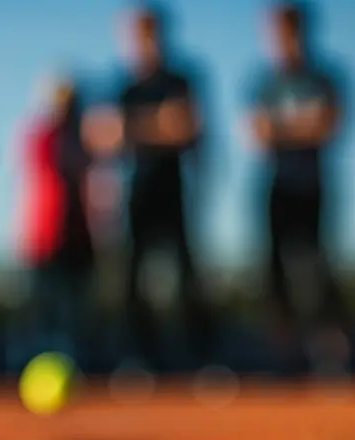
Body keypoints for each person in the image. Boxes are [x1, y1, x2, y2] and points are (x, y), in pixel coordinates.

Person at [247, 2, 351, 376]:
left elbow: (330, 126)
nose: (281, 40)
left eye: (288, 31)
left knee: (319, 270)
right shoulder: (263, 82)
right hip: (276, 189)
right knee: (274, 275)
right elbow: (256, 135)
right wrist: (302, 125)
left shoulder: (324, 78)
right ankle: (284, 361)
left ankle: (331, 356)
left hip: (314, 186)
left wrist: (283, 129)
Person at [111, 4, 217, 372]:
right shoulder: (122, 86)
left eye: (148, 32)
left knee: (189, 276)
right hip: (135, 194)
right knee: (131, 280)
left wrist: (133, 128)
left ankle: (204, 359)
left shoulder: (181, 80)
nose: (143, 42)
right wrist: (161, 124)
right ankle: (139, 360)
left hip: (175, 190)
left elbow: (189, 128)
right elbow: (104, 136)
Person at [13, 73, 98, 369]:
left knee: (76, 309)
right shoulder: (44, 135)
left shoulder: (84, 135)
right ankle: (38, 361)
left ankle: (75, 361)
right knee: (44, 307)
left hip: (79, 236)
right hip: (46, 237)